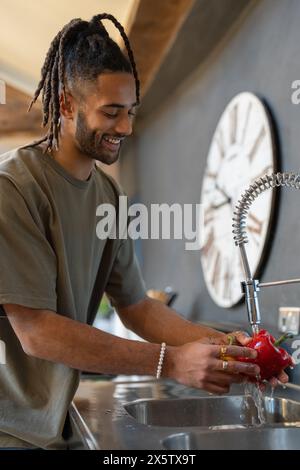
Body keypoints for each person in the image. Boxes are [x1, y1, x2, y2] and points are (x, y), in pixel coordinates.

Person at [0, 13, 288, 449]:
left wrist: (232, 348)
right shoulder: (13, 188)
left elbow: (137, 306)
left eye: (131, 111)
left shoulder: (108, 196)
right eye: (111, 112)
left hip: (55, 422)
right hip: (11, 427)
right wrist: (169, 362)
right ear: (65, 104)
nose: (126, 128)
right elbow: (36, 331)